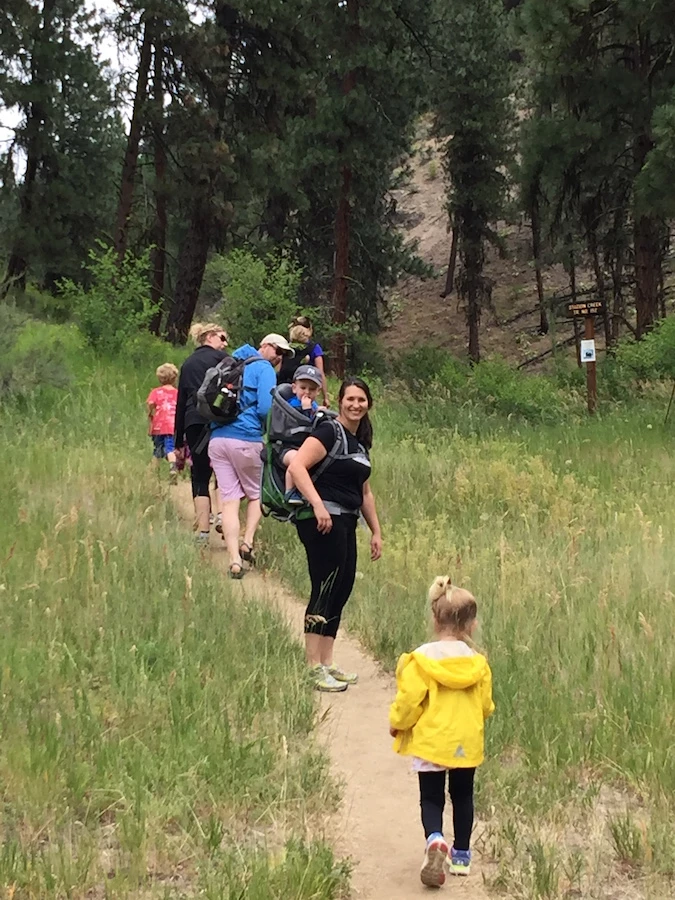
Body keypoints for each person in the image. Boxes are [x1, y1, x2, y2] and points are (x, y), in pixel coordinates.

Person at [388, 577, 495, 888]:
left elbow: (409, 701)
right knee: (463, 795)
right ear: (472, 625)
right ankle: (461, 855)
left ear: (434, 619)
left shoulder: (420, 660)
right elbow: (486, 705)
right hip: (466, 740)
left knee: (431, 797)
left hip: (431, 739)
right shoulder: (477, 663)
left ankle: (435, 839)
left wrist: (398, 722)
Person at [287, 376, 382, 692]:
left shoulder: (360, 442)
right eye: (350, 399)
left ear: (368, 404)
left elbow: (365, 492)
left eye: (362, 400)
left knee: (341, 588)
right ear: (340, 401)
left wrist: (376, 532)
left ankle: (327, 662)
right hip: (323, 521)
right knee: (324, 588)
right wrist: (318, 506)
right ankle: (312, 666)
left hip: (347, 521)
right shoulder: (328, 430)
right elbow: (297, 466)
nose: (356, 405)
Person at [208, 333, 293, 578]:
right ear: (264, 346)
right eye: (277, 350)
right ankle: (247, 542)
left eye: (283, 354)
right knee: (256, 494)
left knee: (230, 500)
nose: (279, 357)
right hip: (246, 439)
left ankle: (234, 560)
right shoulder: (263, 367)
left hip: (218, 440)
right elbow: (267, 407)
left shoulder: (231, 363)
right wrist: (270, 431)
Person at [174, 322, 229, 545]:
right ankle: (223, 516)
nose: (225, 343)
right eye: (222, 338)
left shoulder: (187, 364)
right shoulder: (225, 361)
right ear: (209, 336)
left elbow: (180, 402)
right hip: (220, 421)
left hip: (194, 421)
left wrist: (178, 441)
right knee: (223, 472)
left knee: (200, 474)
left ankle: (203, 532)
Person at [281, 364, 322, 506]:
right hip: (287, 447)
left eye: (312, 389)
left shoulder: (314, 405)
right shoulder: (291, 404)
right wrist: (306, 410)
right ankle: (290, 491)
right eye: (303, 388)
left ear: (318, 391)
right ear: (294, 388)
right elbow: (301, 421)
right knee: (297, 460)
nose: (307, 392)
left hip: (306, 446)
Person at [277, 315, 330, 407]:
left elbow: (278, 370)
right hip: (306, 391)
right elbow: (320, 373)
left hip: (282, 390)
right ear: (309, 330)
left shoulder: (286, 348)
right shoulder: (314, 348)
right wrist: (325, 397)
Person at [147, 363, 179, 483]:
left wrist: (150, 413)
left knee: (158, 449)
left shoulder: (156, 392)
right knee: (170, 448)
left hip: (159, 425)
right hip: (173, 425)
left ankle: (151, 472)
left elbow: (150, 404)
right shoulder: (177, 393)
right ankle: (172, 467)